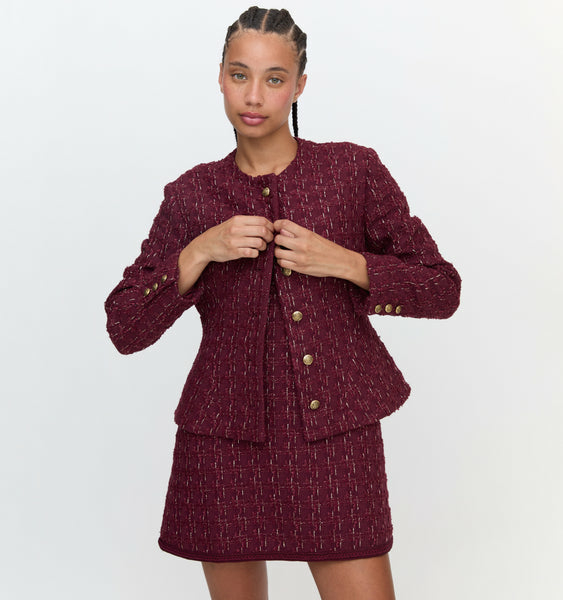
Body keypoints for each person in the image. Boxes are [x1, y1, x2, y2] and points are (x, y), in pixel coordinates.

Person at [104, 6, 461, 600]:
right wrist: (200, 250)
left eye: (274, 79)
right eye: (239, 75)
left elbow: (442, 288)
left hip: (336, 434)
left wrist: (345, 262)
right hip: (224, 442)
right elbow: (125, 325)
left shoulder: (352, 171)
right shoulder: (191, 194)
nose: (254, 96)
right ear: (220, 79)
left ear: (299, 85)